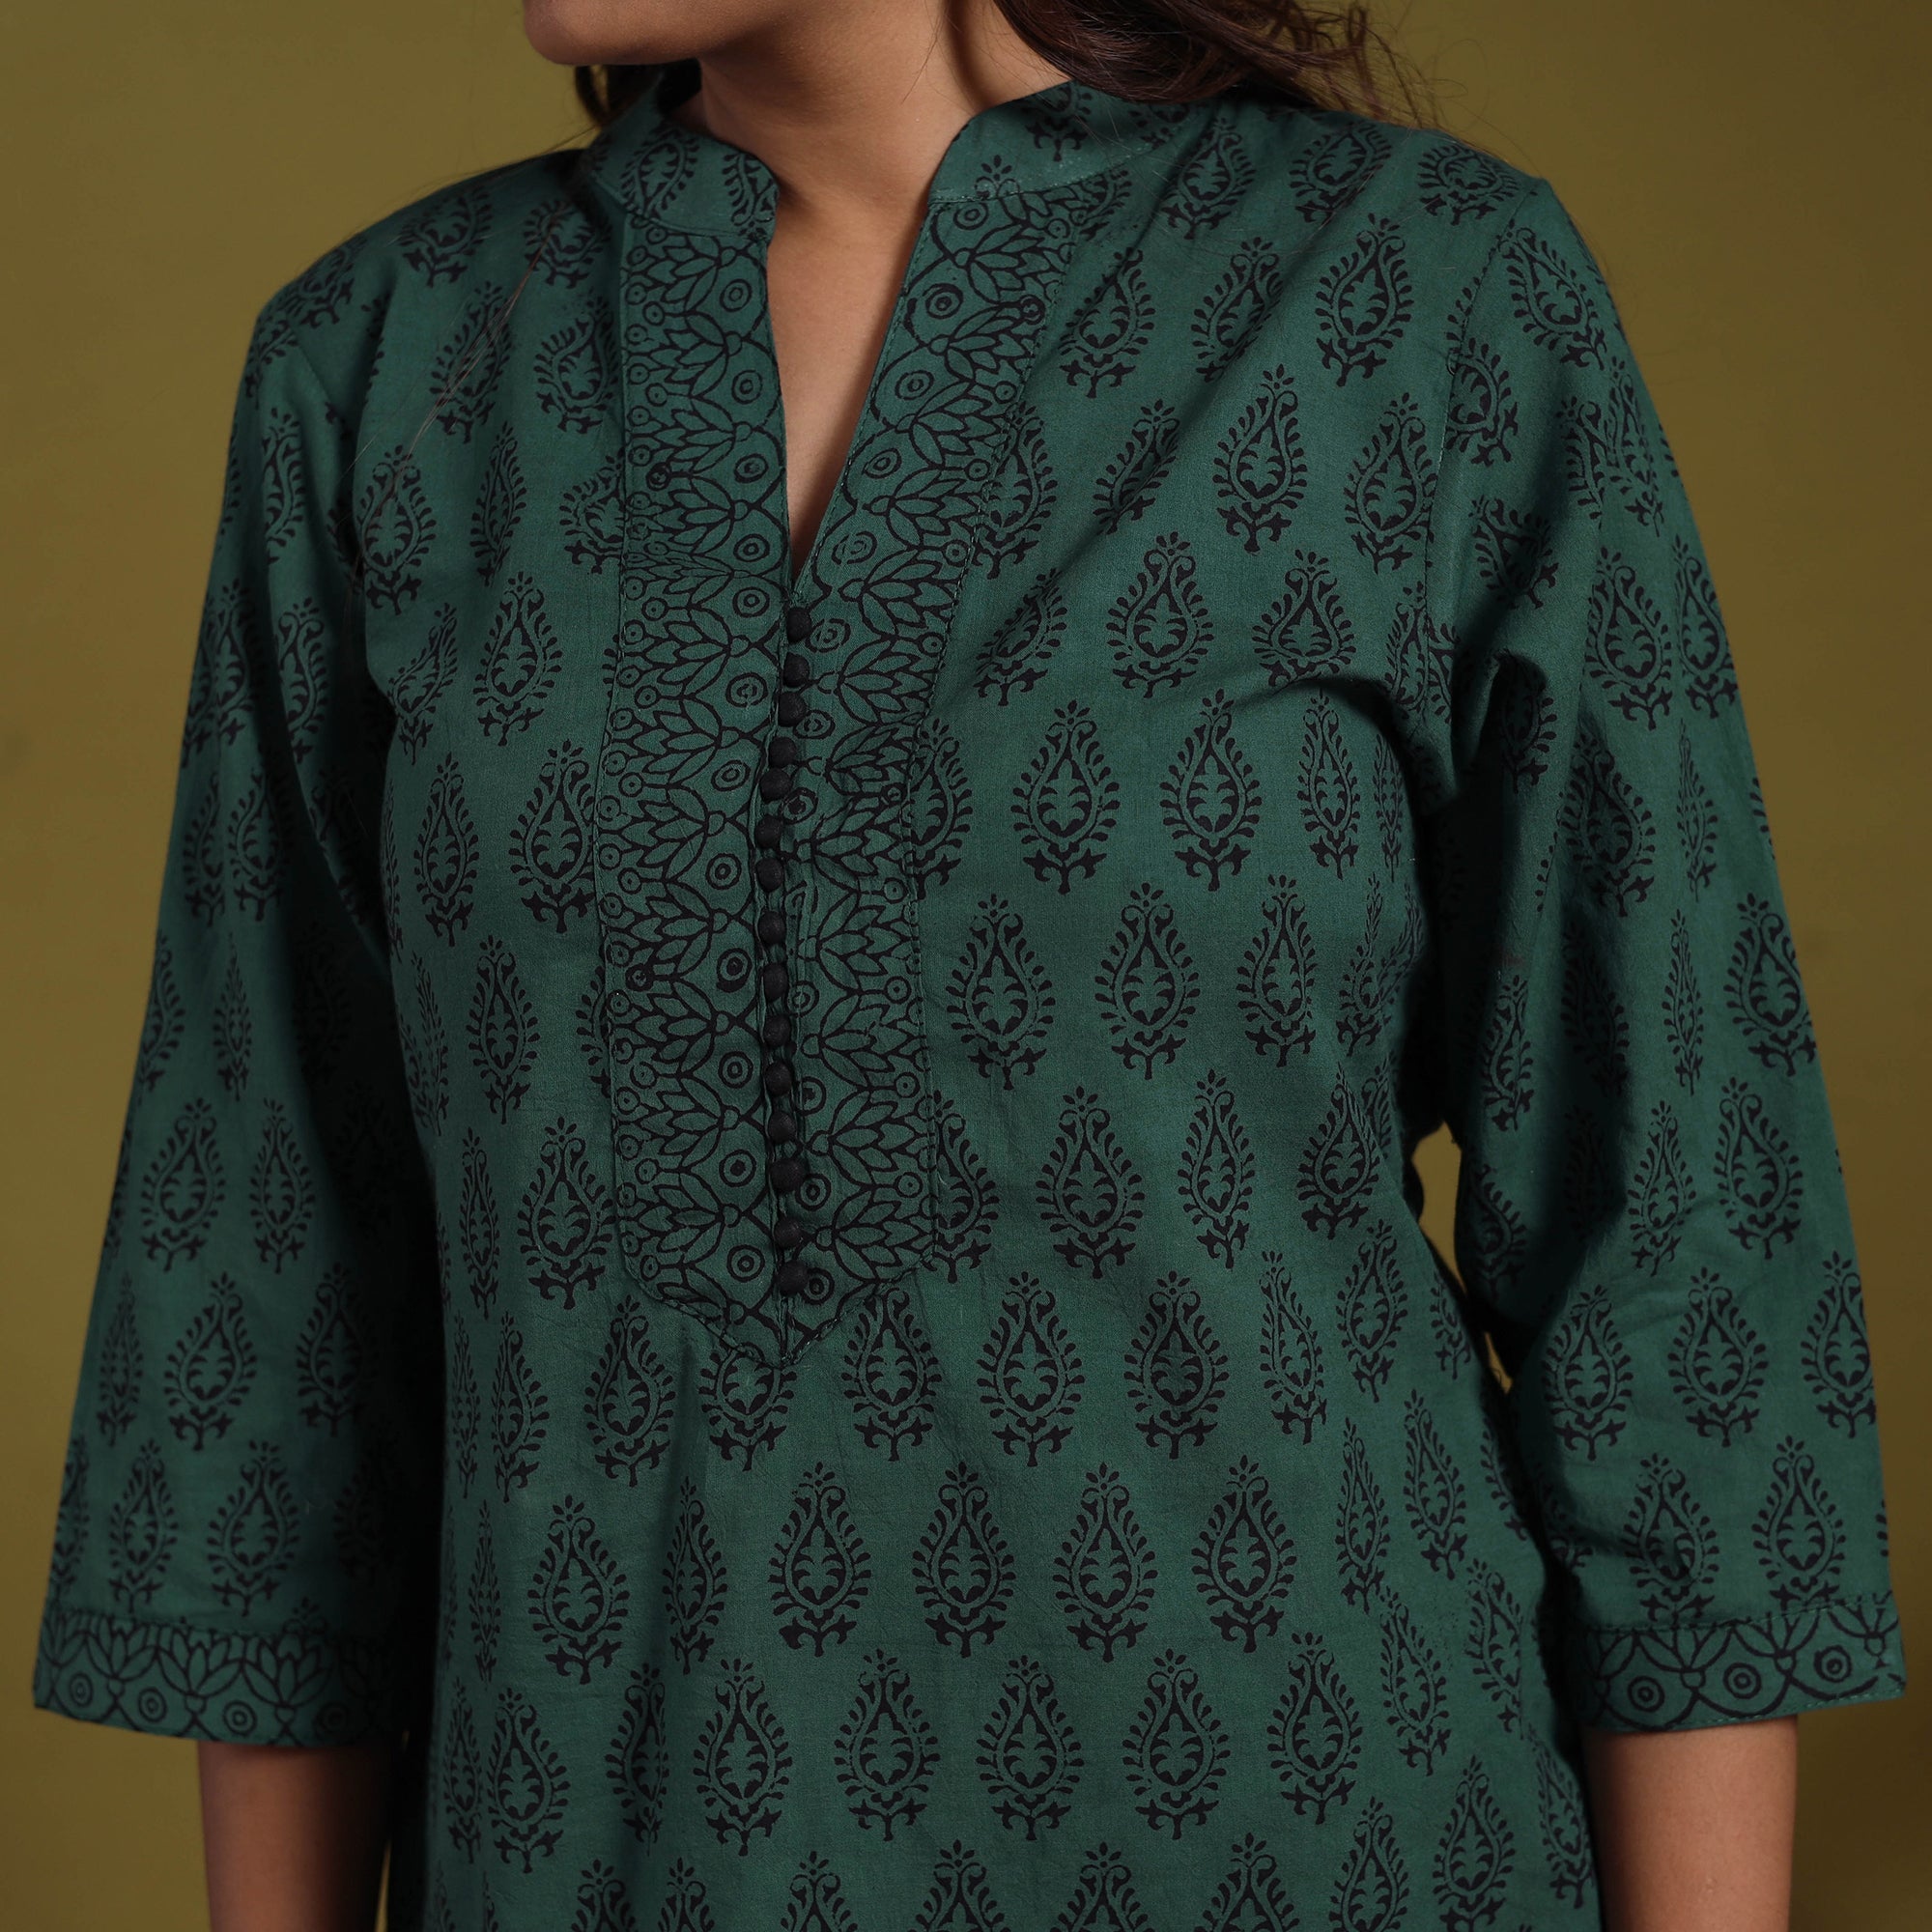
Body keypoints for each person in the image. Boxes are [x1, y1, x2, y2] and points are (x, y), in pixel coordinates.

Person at [29, 2, 1906, 1927]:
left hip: (1337, 1832)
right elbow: (263, 1304)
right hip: (601, 1850)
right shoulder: (391, 363)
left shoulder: (1419, 297)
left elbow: (1681, 1257)